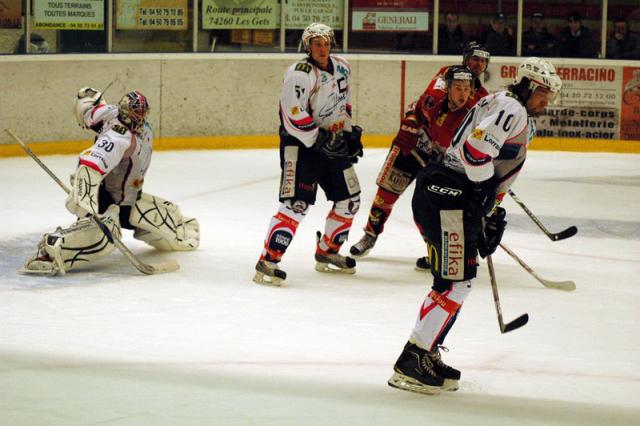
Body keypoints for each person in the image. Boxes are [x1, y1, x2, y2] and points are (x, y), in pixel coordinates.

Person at [387, 57, 562, 395]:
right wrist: (482, 196)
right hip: (449, 196)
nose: (546, 100)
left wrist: (488, 209)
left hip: (449, 193)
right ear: (526, 85)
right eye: (542, 93)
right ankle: (412, 360)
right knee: (455, 283)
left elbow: (484, 158)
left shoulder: (501, 102)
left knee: (457, 282)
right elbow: (475, 151)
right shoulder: (513, 109)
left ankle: (426, 350)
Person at [22, 88, 200, 275]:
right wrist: (85, 197)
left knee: (164, 217)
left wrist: (87, 98)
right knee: (102, 236)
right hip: (110, 199)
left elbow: (90, 112)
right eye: (135, 114)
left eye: (143, 113)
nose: (140, 119)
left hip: (130, 198)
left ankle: (172, 228)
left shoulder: (118, 115)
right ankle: (50, 252)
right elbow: (91, 164)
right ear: (126, 114)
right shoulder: (118, 138)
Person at [350, 42, 490, 269]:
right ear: (465, 58)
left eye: (483, 61)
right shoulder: (446, 75)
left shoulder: (481, 97)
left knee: (427, 206)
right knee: (387, 192)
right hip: (414, 146)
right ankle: (371, 234)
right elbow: (424, 105)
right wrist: (412, 121)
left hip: (441, 159)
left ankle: (434, 248)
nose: (478, 64)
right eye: (475, 58)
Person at [253, 22, 364, 286]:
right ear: (307, 46)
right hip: (301, 147)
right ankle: (268, 259)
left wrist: (348, 134)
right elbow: (291, 113)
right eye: (317, 44)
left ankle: (328, 251)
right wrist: (319, 138)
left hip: (333, 144)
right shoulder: (299, 73)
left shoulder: (342, 66)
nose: (323, 49)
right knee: (296, 204)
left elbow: (344, 102)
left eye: (326, 43)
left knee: (350, 200)